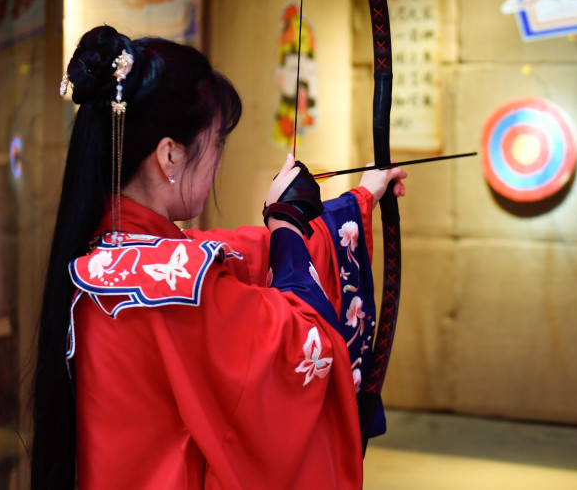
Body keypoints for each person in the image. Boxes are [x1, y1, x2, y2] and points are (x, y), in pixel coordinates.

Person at [32, 25, 406, 489]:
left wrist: (357, 200)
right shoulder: (176, 287)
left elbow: (236, 253)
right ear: (169, 155)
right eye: (217, 145)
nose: (218, 163)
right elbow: (302, 346)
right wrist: (287, 227)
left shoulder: (100, 255)